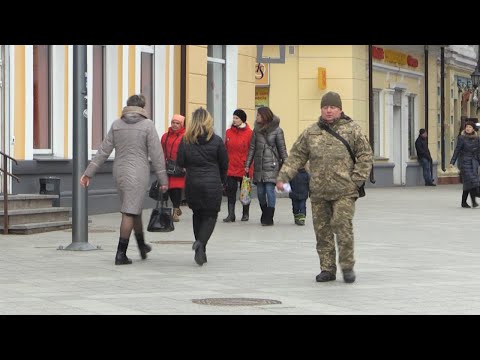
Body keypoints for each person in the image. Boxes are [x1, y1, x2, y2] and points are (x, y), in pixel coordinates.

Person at [276, 91, 373, 283]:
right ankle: (327, 268)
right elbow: (296, 156)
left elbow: (365, 155)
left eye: (333, 107)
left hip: (345, 190)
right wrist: (283, 177)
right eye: (325, 107)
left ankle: (347, 266)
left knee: (342, 225)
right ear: (321, 109)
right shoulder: (311, 132)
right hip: (319, 191)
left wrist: (357, 180)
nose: (329, 111)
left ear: (340, 109)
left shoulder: (352, 130)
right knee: (322, 231)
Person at [80, 94, 168, 265]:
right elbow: (157, 154)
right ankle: (121, 254)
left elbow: (103, 150)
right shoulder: (147, 125)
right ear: (143, 107)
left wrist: (88, 173)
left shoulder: (116, 124)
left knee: (133, 208)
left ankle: (142, 246)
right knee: (129, 211)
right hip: (138, 172)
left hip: (119, 171)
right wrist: (163, 179)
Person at [176, 107, 228, 266]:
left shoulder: (185, 140)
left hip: (193, 182)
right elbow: (224, 163)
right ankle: (200, 243)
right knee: (210, 216)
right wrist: (222, 181)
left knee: (197, 214)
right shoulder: (217, 140)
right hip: (212, 182)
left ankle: (201, 250)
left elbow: (180, 162)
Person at [245, 106, 288, 226]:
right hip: (259, 165)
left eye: (258, 115)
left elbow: (282, 150)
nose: (256, 117)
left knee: (269, 190)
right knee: (260, 192)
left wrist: (287, 167)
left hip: (272, 164)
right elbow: (252, 148)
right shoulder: (256, 130)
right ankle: (265, 213)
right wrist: (247, 164)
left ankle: (269, 216)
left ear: (264, 116)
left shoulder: (278, 130)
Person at [223, 109, 253, 222]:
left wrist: (249, 165)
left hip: (244, 166)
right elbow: (225, 148)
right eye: (234, 118)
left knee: (245, 190)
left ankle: (245, 213)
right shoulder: (228, 132)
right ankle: (231, 214)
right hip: (231, 166)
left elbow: (252, 150)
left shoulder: (250, 133)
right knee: (230, 190)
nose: (234, 120)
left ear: (242, 120)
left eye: (237, 118)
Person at [161, 114, 186, 222]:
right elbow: (161, 151)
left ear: (182, 125)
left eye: (177, 123)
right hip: (167, 166)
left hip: (180, 166)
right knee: (169, 189)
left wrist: (186, 165)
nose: (175, 125)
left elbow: (188, 152)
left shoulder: (186, 136)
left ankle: (175, 212)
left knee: (176, 189)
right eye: (173, 123)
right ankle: (177, 207)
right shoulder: (165, 136)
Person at [450, 120, 480, 208]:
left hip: (474, 163)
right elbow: (457, 150)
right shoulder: (462, 138)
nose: (468, 128)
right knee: (472, 181)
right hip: (464, 162)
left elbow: (478, 152)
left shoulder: (477, 139)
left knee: (468, 183)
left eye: (470, 127)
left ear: (473, 129)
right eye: (467, 127)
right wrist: (452, 162)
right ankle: (475, 198)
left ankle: (464, 202)